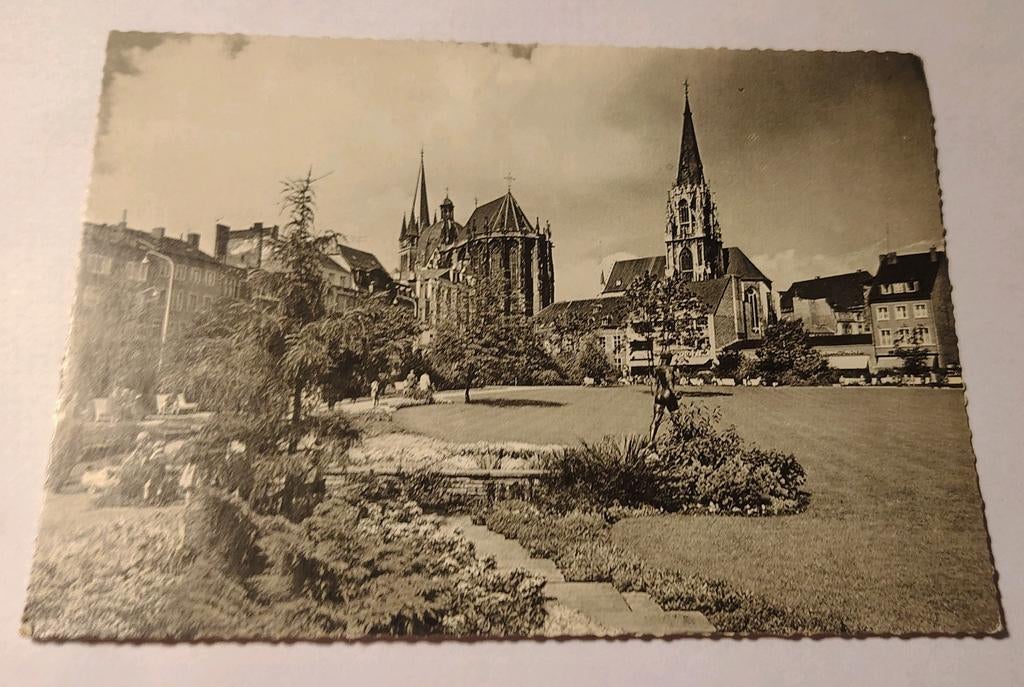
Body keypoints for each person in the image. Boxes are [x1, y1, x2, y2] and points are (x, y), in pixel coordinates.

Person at [650, 352, 680, 443]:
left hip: (659, 394)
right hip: (668, 394)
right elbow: (669, 382)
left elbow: (653, 382)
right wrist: (675, 393)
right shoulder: (669, 369)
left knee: (656, 420)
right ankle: (679, 438)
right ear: (668, 359)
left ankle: (651, 440)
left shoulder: (657, 369)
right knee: (676, 417)